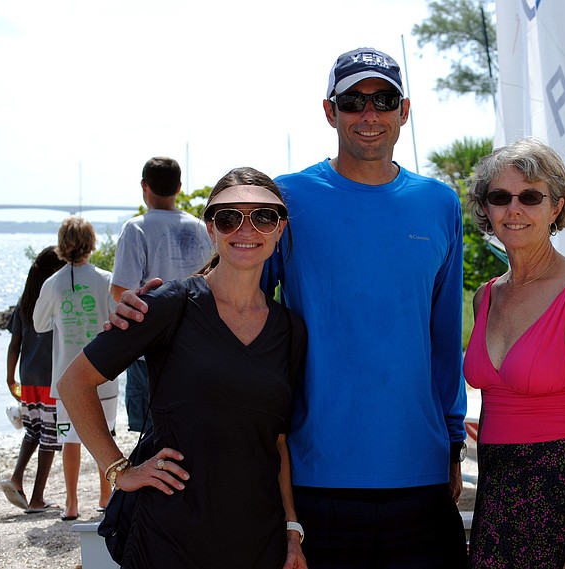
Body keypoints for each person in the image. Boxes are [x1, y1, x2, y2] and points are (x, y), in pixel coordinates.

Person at [108, 47, 468, 568]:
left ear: (404, 110)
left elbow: (443, 338)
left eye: (383, 99)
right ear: (330, 111)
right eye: (353, 101)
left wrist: (453, 442)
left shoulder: (440, 203)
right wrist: (153, 312)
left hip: (421, 470)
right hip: (314, 475)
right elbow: (234, 289)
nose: (369, 114)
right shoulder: (291, 199)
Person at [58, 167, 307, 568]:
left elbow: (277, 442)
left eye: (263, 216)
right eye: (229, 217)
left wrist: (292, 531)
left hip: (257, 541)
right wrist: (119, 470)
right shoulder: (168, 304)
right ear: (210, 229)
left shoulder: (290, 329)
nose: (246, 229)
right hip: (169, 538)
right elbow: (74, 382)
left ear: (279, 230)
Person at [463, 137, 565, 568]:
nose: (513, 209)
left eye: (530, 196)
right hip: (497, 508)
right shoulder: (485, 298)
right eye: (500, 197)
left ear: (556, 207)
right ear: (487, 209)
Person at [111, 157, 212, 433]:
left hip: (148, 349)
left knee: (149, 435)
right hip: (196, 345)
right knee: (190, 428)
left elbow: (121, 289)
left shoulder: (136, 228)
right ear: (179, 187)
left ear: (144, 186)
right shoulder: (202, 229)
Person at [33, 217, 116, 521]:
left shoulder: (52, 284)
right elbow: (117, 316)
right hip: (101, 374)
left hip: (66, 378)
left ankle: (71, 503)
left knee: (70, 439)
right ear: (92, 243)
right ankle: (106, 497)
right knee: (103, 436)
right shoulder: (105, 279)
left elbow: (39, 324)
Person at [0, 246, 66, 513]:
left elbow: (14, 345)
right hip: (51, 379)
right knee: (49, 437)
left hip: (27, 378)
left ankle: (16, 478)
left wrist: (9, 377)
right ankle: (37, 499)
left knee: (32, 431)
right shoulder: (56, 299)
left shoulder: (25, 302)